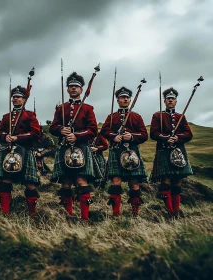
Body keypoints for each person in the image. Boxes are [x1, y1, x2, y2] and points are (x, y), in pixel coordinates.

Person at [49, 72, 99, 220]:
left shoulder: (88, 108)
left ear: (81, 90)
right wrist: (60, 130)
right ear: (67, 89)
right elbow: (53, 127)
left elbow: (93, 130)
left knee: (81, 181)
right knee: (65, 182)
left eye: (76, 87)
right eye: (70, 86)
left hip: (81, 148)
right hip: (64, 147)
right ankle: (68, 216)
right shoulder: (61, 108)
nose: (73, 89)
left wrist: (77, 135)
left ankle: (85, 218)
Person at [0, 86, 40, 215]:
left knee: (30, 183)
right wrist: (5, 136)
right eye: (13, 97)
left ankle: (32, 214)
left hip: (24, 150)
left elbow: (36, 133)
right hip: (7, 151)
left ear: (24, 99)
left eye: (18, 97)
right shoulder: (6, 116)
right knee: (5, 181)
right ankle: (5, 213)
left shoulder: (30, 115)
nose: (15, 99)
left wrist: (17, 137)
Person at [101, 87, 148, 216]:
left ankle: (135, 213)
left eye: (127, 97)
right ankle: (116, 214)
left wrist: (132, 137)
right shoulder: (111, 117)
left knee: (134, 183)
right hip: (116, 151)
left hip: (132, 152)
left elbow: (144, 135)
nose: (125, 99)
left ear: (130, 99)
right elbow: (104, 130)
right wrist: (113, 136)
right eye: (122, 97)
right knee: (116, 182)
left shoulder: (136, 117)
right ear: (118, 100)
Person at [150, 88, 193, 217]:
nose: (170, 100)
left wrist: (178, 138)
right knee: (166, 181)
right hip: (164, 150)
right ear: (164, 101)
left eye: (172, 99)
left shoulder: (181, 117)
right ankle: (169, 211)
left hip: (178, 151)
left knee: (177, 181)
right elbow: (153, 133)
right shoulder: (157, 116)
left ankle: (176, 211)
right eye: (168, 99)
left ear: (175, 101)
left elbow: (189, 134)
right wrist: (165, 138)